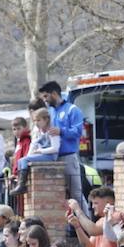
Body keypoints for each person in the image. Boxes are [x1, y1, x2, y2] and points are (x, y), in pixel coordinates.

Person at [37, 80, 86, 210]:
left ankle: (88, 223)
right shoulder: (50, 112)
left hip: (69, 157)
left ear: (54, 93)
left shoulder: (72, 109)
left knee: (76, 194)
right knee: (58, 195)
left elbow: (78, 132)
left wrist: (62, 131)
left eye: (46, 96)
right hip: (53, 158)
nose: (45, 100)